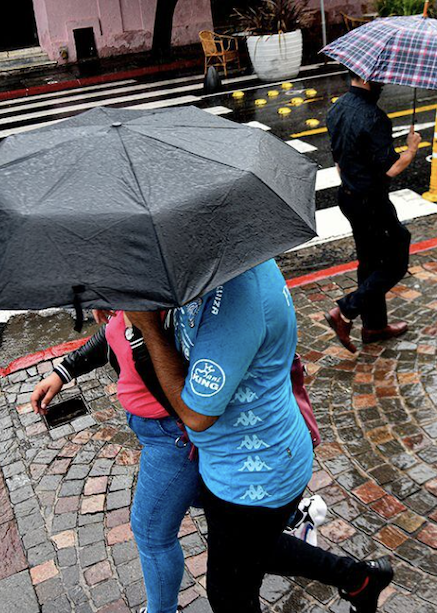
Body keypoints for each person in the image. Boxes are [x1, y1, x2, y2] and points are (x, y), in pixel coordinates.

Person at [133, 258, 393, 613]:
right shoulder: (219, 267)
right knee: (255, 549)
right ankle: (359, 579)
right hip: (250, 463)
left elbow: (196, 414)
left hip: (251, 478)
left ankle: (357, 578)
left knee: (229, 594)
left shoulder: (236, 294)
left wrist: (146, 329)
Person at [30, 309, 200, 613]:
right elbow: (112, 335)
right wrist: (63, 372)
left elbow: (155, 356)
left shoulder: (158, 301)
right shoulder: (128, 299)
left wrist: (137, 317)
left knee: (151, 532)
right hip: (155, 430)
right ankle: (291, 515)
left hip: (172, 437)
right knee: (217, 505)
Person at [322, 73, 421, 352]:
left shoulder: (337, 107)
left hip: (349, 197)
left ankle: (374, 326)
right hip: (371, 201)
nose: (383, 83)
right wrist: (411, 149)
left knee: (369, 260)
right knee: (396, 257)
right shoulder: (374, 117)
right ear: (367, 79)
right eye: (379, 79)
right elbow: (391, 168)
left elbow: (339, 160)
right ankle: (345, 311)